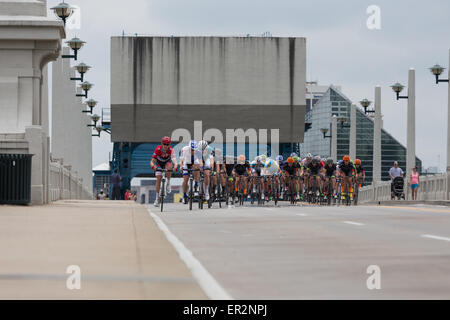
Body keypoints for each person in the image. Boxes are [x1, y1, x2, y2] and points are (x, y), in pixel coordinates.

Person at [151, 136, 178, 207]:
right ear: (162, 143)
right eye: (164, 144)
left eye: (167, 144)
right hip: (159, 164)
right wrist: (153, 166)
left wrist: (175, 165)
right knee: (158, 179)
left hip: (167, 163)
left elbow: (174, 159)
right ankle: (157, 199)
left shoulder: (171, 150)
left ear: (169, 145)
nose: (165, 146)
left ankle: (168, 182)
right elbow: (152, 161)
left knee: (169, 166)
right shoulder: (158, 149)